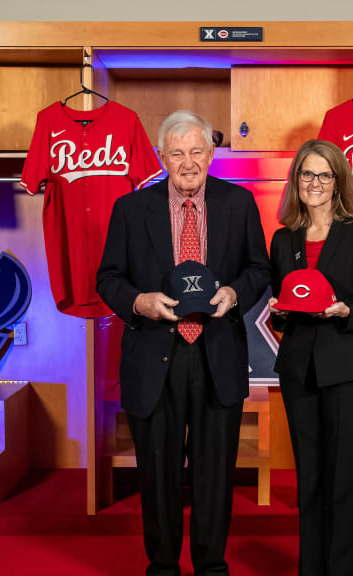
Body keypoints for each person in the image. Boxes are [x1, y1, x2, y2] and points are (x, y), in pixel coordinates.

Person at [97, 110, 270, 576]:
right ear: (160, 156)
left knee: (215, 474)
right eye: (177, 153)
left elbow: (260, 269)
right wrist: (138, 302)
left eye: (196, 151)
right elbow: (108, 278)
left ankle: (212, 564)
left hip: (217, 354)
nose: (188, 162)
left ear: (211, 153)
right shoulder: (131, 209)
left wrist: (235, 293)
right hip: (155, 354)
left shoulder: (240, 202)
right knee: (157, 473)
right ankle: (163, 566)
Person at [268, 139, 353, 576]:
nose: (315, 183)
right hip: (298, 372)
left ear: (339, 181)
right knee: (308, 478)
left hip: (351, 370)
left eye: (324, 175)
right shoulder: (282, 239)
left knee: (343, 480)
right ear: (296, 181)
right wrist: (280, 315)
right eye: (307, 174)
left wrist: (348, 311)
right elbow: (286, 312)